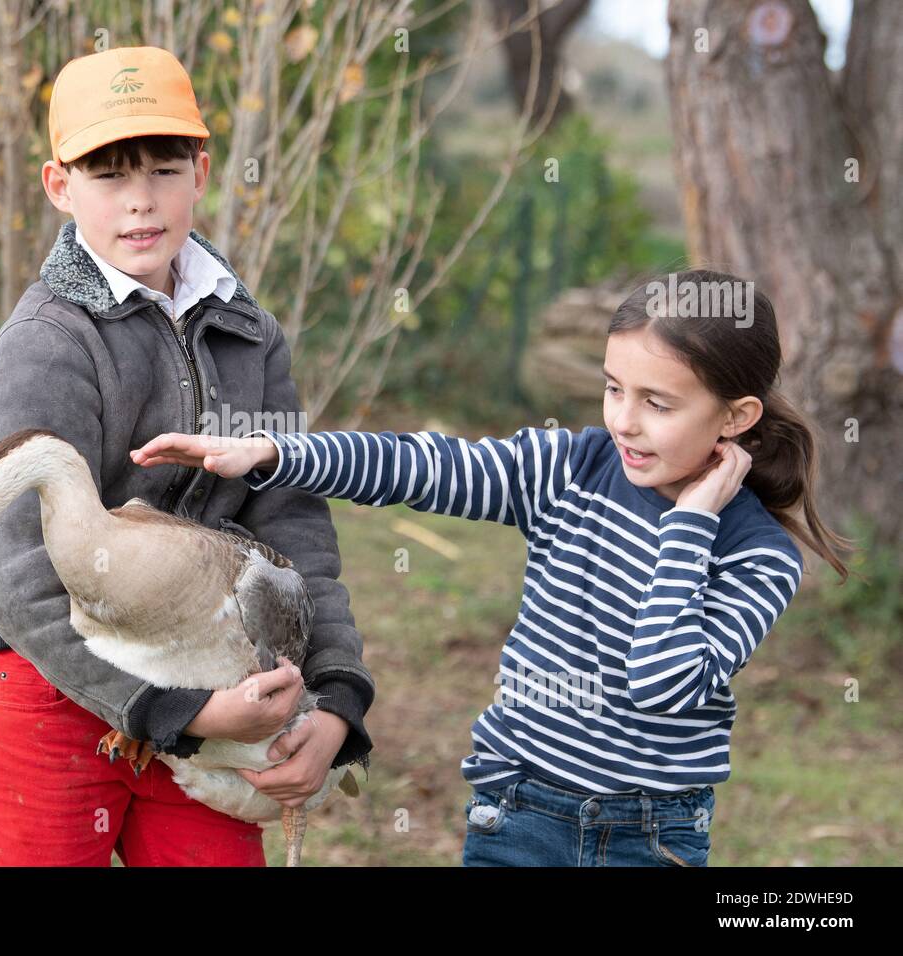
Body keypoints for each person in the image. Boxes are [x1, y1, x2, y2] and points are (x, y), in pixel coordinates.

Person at [132, 269, 850, 866]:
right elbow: (428, 467)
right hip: (518, 809)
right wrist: (277, 453)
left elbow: (662, 680)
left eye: (657, 403)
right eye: (613, 389)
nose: (623, 421)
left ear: (735, 416)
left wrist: (693, 522)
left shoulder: (757, 555)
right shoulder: (570, 468)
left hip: (651, 837)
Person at [0, 46, 374, 866]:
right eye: (108, 175)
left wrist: (334, 698)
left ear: (202, 172)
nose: (141, 201)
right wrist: (167, 712)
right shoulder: (44, 346)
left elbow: (292, 529)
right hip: (49, 683)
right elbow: (17, 574)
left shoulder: (247, 333)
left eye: (163, 168)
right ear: (59, 186)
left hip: (211, 680)